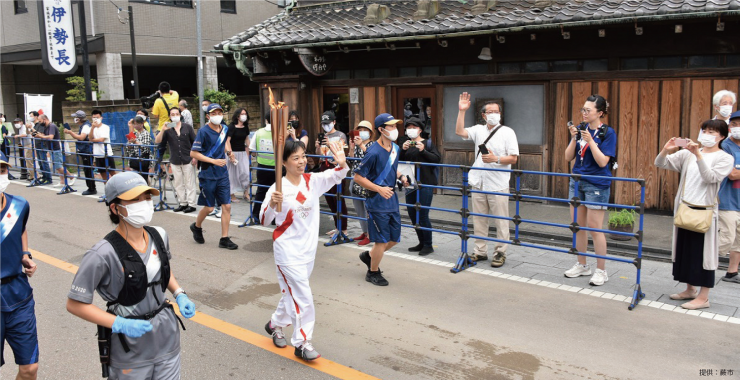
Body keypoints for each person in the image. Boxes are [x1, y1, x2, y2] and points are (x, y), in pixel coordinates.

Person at [66, 171, 196, 379]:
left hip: (167, 339)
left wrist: (179, 293)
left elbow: (162, 270)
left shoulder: (159, 235)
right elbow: (75, 304)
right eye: (134, 199)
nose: (144, 203)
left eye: (146, 197)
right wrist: (119, 324)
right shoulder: (102, 253)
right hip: (129, 348)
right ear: (115, 208)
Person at [260, 140, 348, 361]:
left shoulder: (312, 182)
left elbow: (337, 175)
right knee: (303, 297)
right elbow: (263, 220)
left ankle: (275, 324)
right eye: (295, 158)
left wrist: (342, 163)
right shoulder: (277, 188)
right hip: (287, 251)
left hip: (308, 252)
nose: (302, 162)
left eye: (303, 156)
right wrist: (272, 203)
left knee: (293, 293)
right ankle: (302, 343)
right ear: (284, 162)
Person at [655, 120, 733, 309]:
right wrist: (666, 149)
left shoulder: (725, 158)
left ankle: (704, 297)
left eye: (712, 131)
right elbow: (660, 163)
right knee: (685, 251)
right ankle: (690, 289)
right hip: (684, 208)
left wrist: (698, 154)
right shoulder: (687, 154)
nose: (706, 134)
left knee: (703, 255)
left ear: (722, 136)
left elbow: (710, 178)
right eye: (704, 130)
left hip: (704, 212)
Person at [455, 93, 519, 268]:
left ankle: (500, 252)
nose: (493, 114)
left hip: (498, 183)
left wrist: (496, 159)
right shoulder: (478, 130)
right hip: (478, 181)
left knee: (501, 220)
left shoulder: (508, 132)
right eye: (489, 112)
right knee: (479, 219)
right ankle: (480, 251)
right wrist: (462, 111)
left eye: (496, 111)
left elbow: (513, 158)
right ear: (483, 115)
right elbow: (460, 131)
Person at [561, 94, 616, 285]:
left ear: (600, 113)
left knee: (595, 228)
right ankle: (582, 265)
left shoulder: (608, 133)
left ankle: (602, 270)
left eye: (588, 110)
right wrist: (573, 138)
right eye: (583, 109)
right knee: (578, 226)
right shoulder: (581, 128)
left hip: (597, 183)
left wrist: (591, 141)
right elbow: (568, 157)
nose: (584, 113)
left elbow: (603, 162)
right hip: (577, 181)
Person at [354, 113, 408, 286]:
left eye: (395, 126)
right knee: (381, 240)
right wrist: (379, 189)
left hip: (391, 200)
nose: (394, 129)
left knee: (394, 238)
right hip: (377, 201)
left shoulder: (395, 148)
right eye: (391, 126)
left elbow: (392, 168)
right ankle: (373, 272)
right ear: (381, 129)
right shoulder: (373, 152)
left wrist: (401, 177)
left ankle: (369, 257)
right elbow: (358, 177)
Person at [0, 152, 40, 380]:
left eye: (2, 170)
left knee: (29, 368)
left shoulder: (19, 205)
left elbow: (20, 227)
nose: (0, 175)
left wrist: (25, 253)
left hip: (18, 295)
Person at [189, 104, 238, 250]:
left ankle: (224, 238)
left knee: (227, 205)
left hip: (222, 173)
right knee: (209, 208)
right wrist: (213, 161)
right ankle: (196, 226)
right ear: (208, 116)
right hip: (208, 173)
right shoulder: (203, 132)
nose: (217, 115)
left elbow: (224, 143)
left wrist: (229, 153)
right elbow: (193, 153)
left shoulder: (224, 129)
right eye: (214, 113)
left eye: (219, 112)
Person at [399, 116, 441, 255]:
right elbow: (399, 162)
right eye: (408, 128)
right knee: (412, 214)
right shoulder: (405, 143)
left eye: (414, 127)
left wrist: (423, 150)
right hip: (410, 183)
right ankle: (421, 242)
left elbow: (436, 159)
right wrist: (403, 150)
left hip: (425, 183)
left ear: (420, 130)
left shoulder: (428, 143)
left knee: (423, 215)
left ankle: (428, 245)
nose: (411, 130)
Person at [156, 107, 197, 213]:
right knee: (178, 183)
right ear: (169, 116)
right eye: (172, 114)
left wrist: (195, 157)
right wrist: (162, 130)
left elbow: (195, 143)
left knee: (189, 183)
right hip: (175, 159)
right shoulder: (168, 128)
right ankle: (183, 203)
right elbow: (158, 141)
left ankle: (191, 204)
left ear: (180, 115)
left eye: (176, 114)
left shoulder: (187, 127)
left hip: (188, 158)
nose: (175, 116)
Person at [315, 111, 349, 236]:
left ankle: (343, 229)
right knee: (329, 198)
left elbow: (342, 152)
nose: (325, 126)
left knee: (338, 198)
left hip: (336, 167)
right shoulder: (322, 136)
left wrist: (330, 145)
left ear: (334, 122)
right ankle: (337, 227)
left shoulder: (341, 135)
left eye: (328, 123)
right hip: (324, 167)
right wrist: (318, 147)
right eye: (323, 124)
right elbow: (319, 155)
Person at [719, 111, 740, 284]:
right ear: (729, 127)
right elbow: (732, 174)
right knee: (724, 239)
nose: (738, 127)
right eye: (734, 124)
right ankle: (702, 268)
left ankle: (732, 272)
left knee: (738, 241)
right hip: (727, 201)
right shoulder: (725, 147)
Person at [348, 120, 375, 246]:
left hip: (366, 180)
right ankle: (364, 232)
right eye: (360, 130)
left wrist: (361, 146)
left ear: (370, 132)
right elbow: (352, 161)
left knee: (367, 208)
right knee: (358, 208)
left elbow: (371, 159)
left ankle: (370, 234)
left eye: (365, 130)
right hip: (355, 178)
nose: (363, 132)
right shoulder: (357, 144)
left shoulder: (373, 145)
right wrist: (352, 148)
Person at [250, 112, 276, 223]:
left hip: (262, 167)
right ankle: (274, 218)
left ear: (266, 120)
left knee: (261, 191)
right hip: (277, 168)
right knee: (276, 192)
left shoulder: (258, 132)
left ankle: (256, 215)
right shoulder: (280, 132)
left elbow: (252, 151)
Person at [35, 115, 75, 188]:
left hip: (55, 148)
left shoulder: (51, 126)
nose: (40, 123)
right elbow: (45, 135)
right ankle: (62, 181)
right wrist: (38, 134)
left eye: (40, 121)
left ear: (45, 119)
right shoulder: (46, 127)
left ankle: (71, 176)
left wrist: (41, 136)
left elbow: (51, 137)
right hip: (50, 148)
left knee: (59, 166)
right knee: (57, 166)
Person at [65, 110, 98, 195]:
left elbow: (81, 137)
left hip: (87, 150)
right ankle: (90, 187)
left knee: (88, 169)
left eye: (75, 117)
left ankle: (91, 188)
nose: (74, 119)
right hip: (84, 150)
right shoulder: (83, 126)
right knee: (87, 169)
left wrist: (70, 132)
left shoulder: (86, 126)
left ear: (79, 119)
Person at [226, 108, 251, 203]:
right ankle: (232, 195)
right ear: (237, 116)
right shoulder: (232, 127)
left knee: (246, 173)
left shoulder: (245, 127)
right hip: (233, 153)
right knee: (231, 175)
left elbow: (247, 139)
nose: (244, 115)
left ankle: (246, 193)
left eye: (245, 113)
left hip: (243, 153)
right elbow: (227, 140)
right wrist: (230, 153)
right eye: (242, 114)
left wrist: (249, 150)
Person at [89, 109, 116, 185]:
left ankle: (118, 188)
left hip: (107, 153)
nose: (95, 119)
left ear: (101, 117)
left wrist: (92, 140)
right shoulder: (92, 128)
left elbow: (101, 139)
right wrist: (92, 128)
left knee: (112, 172)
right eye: (94, 117)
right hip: (97, 154)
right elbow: (89, 137)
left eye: (97, 117)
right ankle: (107, 191)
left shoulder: (105, 127)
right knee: (103, 174)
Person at [126, 116, 153, 181]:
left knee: (144, 177)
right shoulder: (134, 133)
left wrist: (135, 141)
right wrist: (130, 143)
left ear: (142, 124)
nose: (135, 126)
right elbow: (128, 147)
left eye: (137, 124)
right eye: (134, 124)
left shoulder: (145, 133)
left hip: (143, 158)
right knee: (135, 178)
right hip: (134, 158)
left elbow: (146, 146)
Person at [28, 112, 51, 185]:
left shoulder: (41, 125)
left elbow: (40, 134)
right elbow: (33, 134)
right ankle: (44, 177)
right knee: (40, 162)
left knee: (44, 162)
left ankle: (48, 178)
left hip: (42, 145)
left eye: (31, 116)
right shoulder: (36, 125)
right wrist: (30, 129)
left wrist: (33, 130)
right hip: (37, 145)